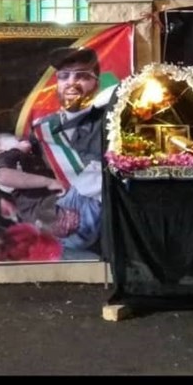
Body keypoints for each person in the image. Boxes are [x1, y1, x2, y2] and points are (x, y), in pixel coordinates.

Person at [24, 47, 112, 255]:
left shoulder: (112, 121)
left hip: (110, 236)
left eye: (81, 76)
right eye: (64, 76)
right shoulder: (41, 130)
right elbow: (29, 188)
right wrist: (50, 215)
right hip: (65, 244)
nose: (71, 82)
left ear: (96, 84)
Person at [0, 132, 92, 243]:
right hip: (57, 213)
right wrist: (49, 182)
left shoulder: (29, 158)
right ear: (0, 151)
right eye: (14, 138)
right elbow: (3, 177)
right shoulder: (5, 158)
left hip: (61, 222)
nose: (20, 138)